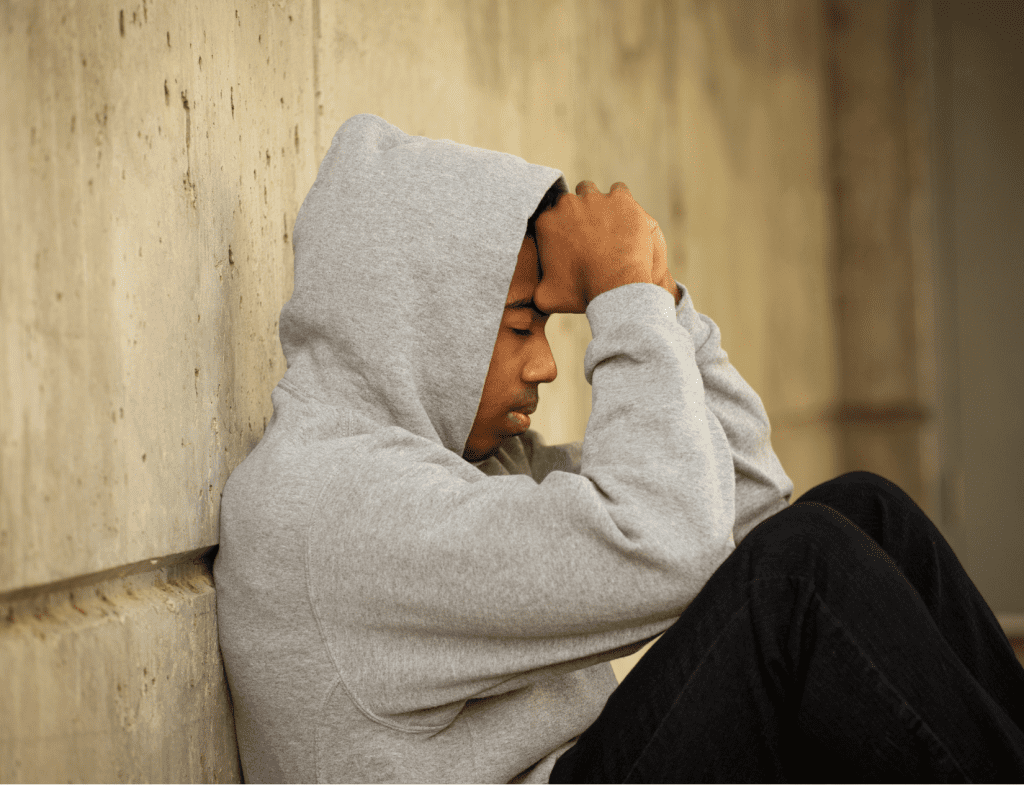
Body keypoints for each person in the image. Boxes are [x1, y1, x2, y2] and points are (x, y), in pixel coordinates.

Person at [212, 114, 1024, 782]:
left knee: (860, 512)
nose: (546, 364)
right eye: (523, 325)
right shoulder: (330, 506)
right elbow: (678, 544)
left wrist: (660, 299)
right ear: (419, 321)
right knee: (800, 573)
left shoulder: (460, 465)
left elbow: (740, 513)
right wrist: (623, 297)